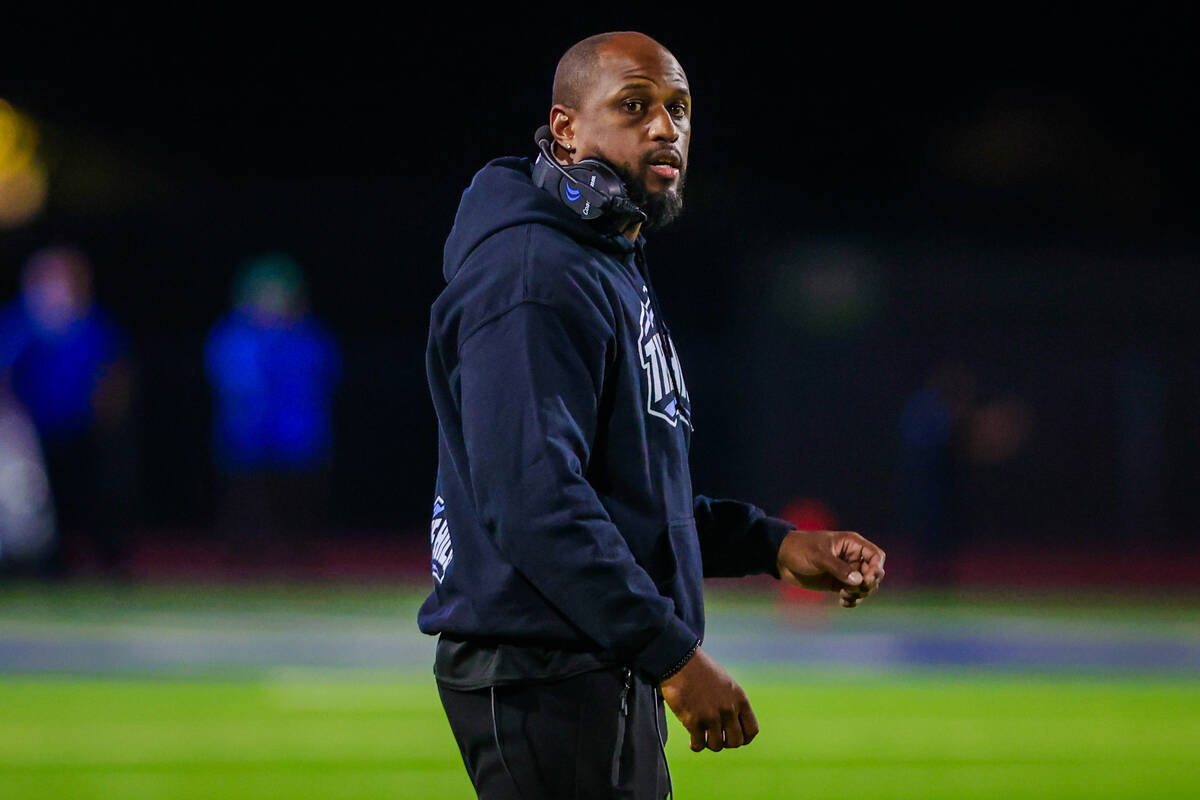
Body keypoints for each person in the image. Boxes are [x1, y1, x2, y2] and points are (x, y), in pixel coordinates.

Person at [420, 32, 886, 799]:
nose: (666, 128)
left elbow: (627, 501)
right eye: (634, 106)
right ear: (565, 128)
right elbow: (536, 505)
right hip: (545, 668)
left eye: (680, 109)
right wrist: (672, 654)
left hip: (589, 656)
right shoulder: (536, 274)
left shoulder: (603, 261)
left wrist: (775, 545)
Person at [0, 245, 137, 575]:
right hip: (34, 436)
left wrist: (111, 416)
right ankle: (46, 566)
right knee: (37, 504)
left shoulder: (93, 322)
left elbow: (116, 370)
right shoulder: (20, 323)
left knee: (97, 497)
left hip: (85, 429)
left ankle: (108, 563)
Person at [205, 253, 340, 562]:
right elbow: (230, 383)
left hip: (299, 447)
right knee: (247, 525)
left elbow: (323, 379)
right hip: (247, 448)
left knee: (298, 525)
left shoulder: (309, 336)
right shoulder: (234, 336)